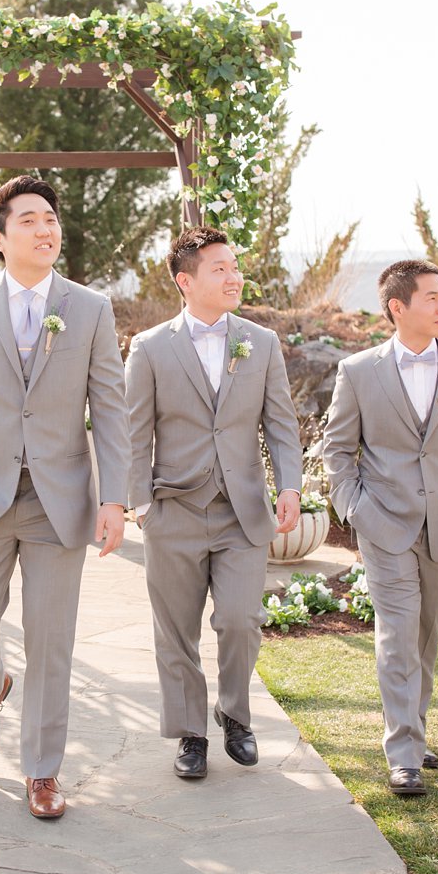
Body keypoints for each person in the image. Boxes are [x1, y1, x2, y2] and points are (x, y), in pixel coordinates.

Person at [0, 175, 130, 819]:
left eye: (51, 217)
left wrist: (114, 497)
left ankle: (42, 771)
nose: (46, 229)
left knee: (51, 640)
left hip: (59, 499)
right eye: (29, 220)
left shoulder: (90, 308)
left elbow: (111, 408)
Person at [125, 227, 302, 780]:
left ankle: (234, 713)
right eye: (220, 268)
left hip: (242, 510)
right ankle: (190, 734)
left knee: (241, 619)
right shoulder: (150, 347)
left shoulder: (262, 342)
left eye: (234, 266)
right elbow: (135, 433)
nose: (234, 276)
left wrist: (290, 486)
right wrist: (140, 504)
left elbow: (280, 422)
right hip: (172, 509)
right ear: (186, 281)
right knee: (175, 630)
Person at [320, 259, 438, 796]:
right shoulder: (358, 371)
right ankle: (403, 754)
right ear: (398, 308)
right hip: (384, 522)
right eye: (432, 298)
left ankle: (413, 735)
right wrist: (354, 509)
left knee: (425, 634)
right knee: (398, 635)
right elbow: (336, 449)